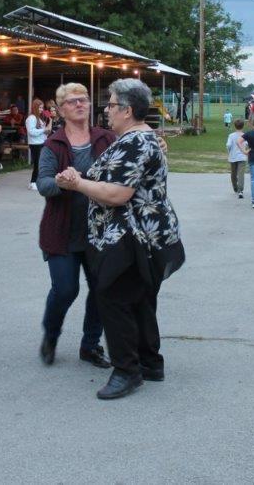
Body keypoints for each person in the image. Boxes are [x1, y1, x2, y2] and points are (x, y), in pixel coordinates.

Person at [56, 78, 184, 400]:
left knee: (113, 298)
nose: (106, 110)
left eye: (111, 104)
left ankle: (127, 371)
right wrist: (81, 176)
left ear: (127, 110)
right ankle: (149, 363)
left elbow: (117, 194)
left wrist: (77, 185)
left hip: (131, 238)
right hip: (144, 235)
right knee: (139, 299)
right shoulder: (137, 138)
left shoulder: (135, 142)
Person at [36, 83, 113, 371]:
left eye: (83, 99)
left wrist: (157, 145)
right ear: (60, 110)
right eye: (72, 101)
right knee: (65, 290)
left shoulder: (106, 138)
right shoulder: (54, 145)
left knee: (102, 290)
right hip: (63, 232)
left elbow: (127, 164)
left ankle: (90, 345)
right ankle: (51, 335)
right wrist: (60, 182)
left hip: (101, 231)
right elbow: (42, 184)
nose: (79, 104)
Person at [25, 98, 50, 191]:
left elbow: (42, 131)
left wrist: (45, 131)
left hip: (41, 143)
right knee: (37, 164)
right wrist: (43, 130)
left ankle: (36, 181)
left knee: (41, 163)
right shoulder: (31, 118)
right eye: (39, 107)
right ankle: (33, 182)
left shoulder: (38, 118)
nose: (41, 110)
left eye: (42, 108)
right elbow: (31, 132)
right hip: (35, 144)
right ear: (35, 107)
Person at [226, 118, 247, 199]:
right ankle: (240, 190)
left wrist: (229, 151)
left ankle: (235, 187)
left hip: (233, 157)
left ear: (235, 126)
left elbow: (228, 145)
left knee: (233, 173)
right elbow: (247, 144)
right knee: (241, 174)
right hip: (242, 156)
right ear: (243, 126)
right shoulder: (245, 135)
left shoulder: (231, 136)